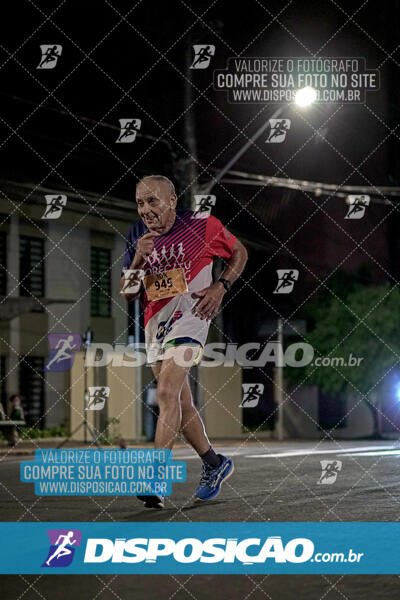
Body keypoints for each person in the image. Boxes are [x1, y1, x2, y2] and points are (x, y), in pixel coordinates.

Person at [120, 175, 248, 509]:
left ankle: (156, 478)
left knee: (164, 392)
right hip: (155, 322)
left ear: (173, 200)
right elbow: (128, 292)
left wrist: (221, 287)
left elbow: (239, 252)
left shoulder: (201, 225)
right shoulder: (136, 234)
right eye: (140, 203)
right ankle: (215, 465)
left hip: (192, 315)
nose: (146, 209)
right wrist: (137, 258)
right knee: (180, 403)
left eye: (153, 201)